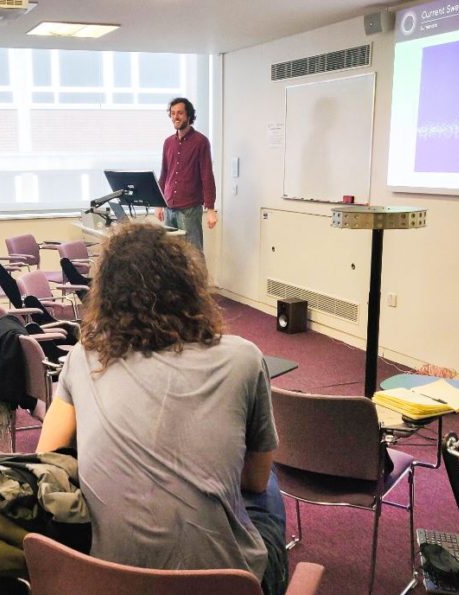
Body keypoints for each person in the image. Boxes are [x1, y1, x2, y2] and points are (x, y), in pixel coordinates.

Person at [36, 222, 288, 595]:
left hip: (106, 580)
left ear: (105, 296)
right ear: (189, 287)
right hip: (225, 587)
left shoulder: (83, 358)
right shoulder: (244, 358)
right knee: (268, 484)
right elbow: (251, 480)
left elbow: (47, 460)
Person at [155, 97, 217, 254]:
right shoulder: (168, 142)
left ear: (188, 115)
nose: (176, 117)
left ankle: (199, 280)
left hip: (189, 209)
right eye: (173, 113)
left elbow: (207, 176)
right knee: (170, 255)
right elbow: (164, 173)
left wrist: (210, 209)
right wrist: (158, 203)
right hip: (169, 207)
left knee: (193, 254)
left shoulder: (201, 142)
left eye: (180, 113)